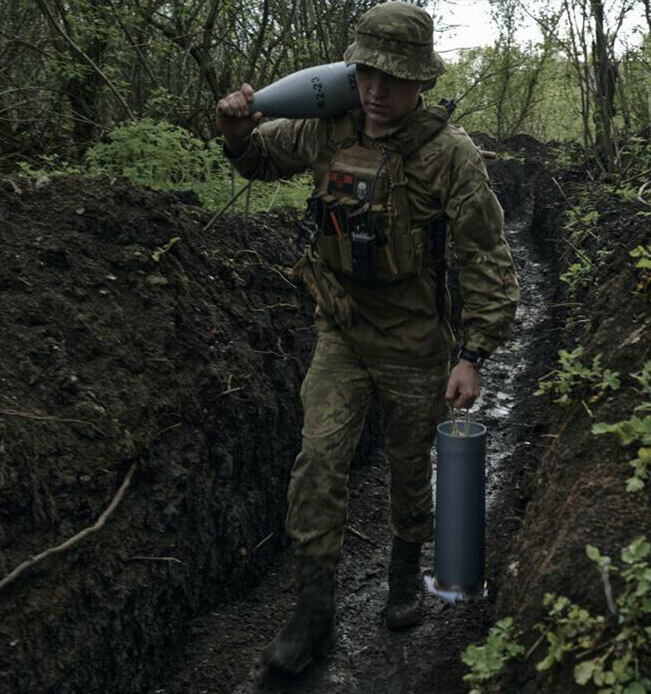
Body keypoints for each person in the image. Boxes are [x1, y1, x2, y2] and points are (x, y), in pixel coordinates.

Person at [216, 0, 519, 681]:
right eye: (366, 74)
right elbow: (259, 160)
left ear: (422, 81)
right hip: (343, 329)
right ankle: (313, 608)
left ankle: (404, 571)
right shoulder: (328, 125)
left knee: (411, 472)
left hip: (415, 343)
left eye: (395, 78)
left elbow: (487, 259)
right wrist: (235, 134)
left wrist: (473, 355)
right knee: (318, 460)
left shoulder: (449, 155)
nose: (377, 91)